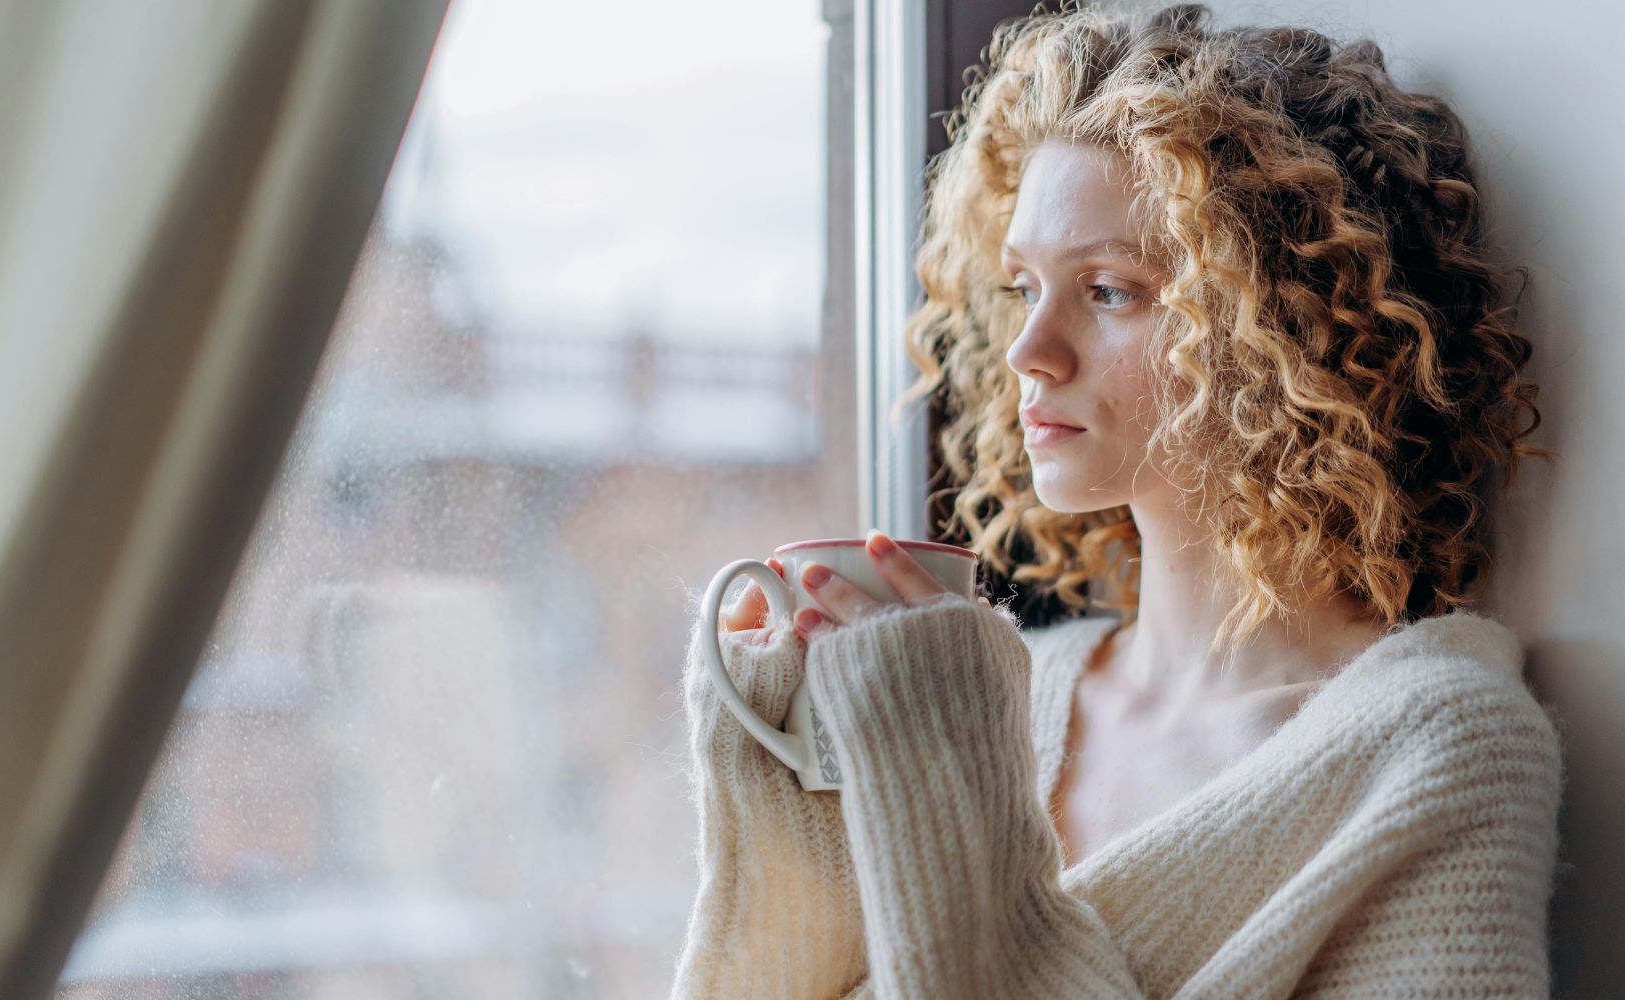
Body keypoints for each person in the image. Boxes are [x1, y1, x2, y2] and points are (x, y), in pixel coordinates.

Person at [669, 3, 1564, 998]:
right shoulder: (1007, 687)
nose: (1027, 353)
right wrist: (773, 780)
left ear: (1281, 327)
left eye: (1108, 291)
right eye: (1020, 287)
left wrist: (946, 798)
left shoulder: (1436, 751)